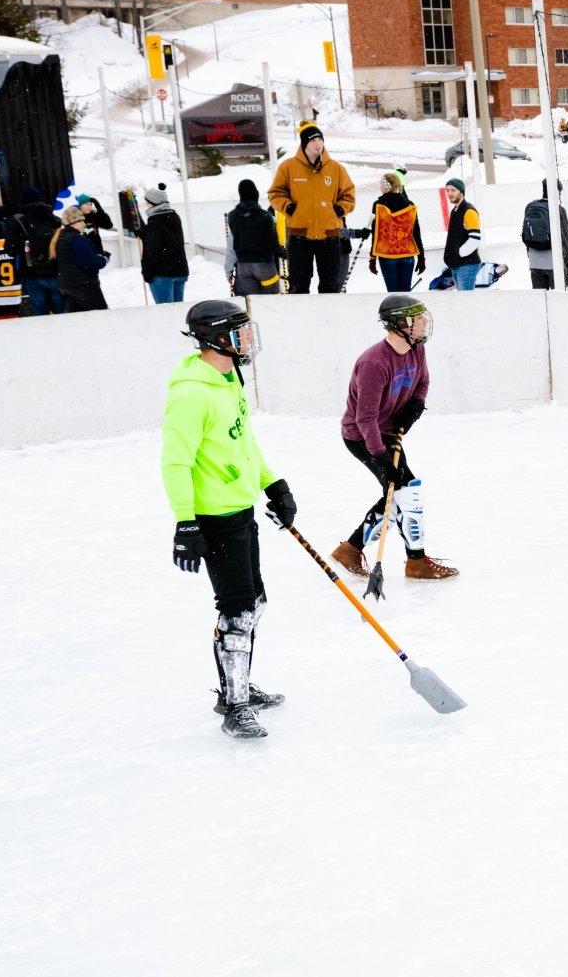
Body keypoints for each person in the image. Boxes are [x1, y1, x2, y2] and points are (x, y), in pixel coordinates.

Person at [162, 299, 296, 739]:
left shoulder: (227, 380)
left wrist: (273, 485)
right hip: (214, 518)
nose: (247, 341)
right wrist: (186, 522)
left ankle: (235, 688)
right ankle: (234, 706)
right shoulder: (191, 393)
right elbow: (175, 462)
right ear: (217, 337)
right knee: (237, 612)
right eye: (239, 333)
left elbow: (244, 445)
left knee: (254, 603)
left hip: (241, 510)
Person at [328, 294, 458, 583]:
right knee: (403, 492)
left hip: (388, 432)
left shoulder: (416, 349)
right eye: (418, 317)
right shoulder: (374, 363)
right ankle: (415, 563)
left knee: (402, 492)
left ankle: (351, 550)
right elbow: (364, 419)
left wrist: (415, 407)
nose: (425, 322)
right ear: (401, 324)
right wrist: (380, 456)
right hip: (363, 437)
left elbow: (422, 381)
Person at [267, 120, 357, 294]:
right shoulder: (288, 167)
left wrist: (339, 209)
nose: (318, 144)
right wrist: (289, 207)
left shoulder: (336, 169)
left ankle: (328, 318)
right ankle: (301, 318)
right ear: (304, 144)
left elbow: (349, 195)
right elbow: (275, 193)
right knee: (299, 286)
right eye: (313, 140)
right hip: (299, 236)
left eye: (320, 140)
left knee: (330, 286)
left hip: (330, 236)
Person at [5, 192, 63, 316]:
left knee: (40, 313)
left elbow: (9, 250)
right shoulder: (53, 218)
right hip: (55, 270)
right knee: (61, 311)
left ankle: (43, 333)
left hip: (31, 271)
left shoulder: (16, 219)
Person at [225, 178, 285, 296]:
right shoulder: (266, 216)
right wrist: (286, 254)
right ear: (256, 194)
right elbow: (272, 244)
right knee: (271, 303)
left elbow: (231, 247)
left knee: (249, 303)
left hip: (243, 267)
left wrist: (229, 270)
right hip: (265, 266)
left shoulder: (233, 217)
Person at [368, 172, 425, 292]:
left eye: (381, 184)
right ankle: (405, 309)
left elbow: (376, 233)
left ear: (386, 186)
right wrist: (421, 258)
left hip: (387, 255)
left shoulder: (379, 205)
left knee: (393, 293)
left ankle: (395, 310)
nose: (380, 187)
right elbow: (416, 233)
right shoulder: (409, 205)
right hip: (407, 254)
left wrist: (372, 257)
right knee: (405, 292)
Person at [136, 185, 189, 304]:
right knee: (178, 310)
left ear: (153, 203)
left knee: (165, 311)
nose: (146, 205)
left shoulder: (155, 221)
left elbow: (152, 251)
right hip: (179, 270)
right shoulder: (174, 217)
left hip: (162, 274)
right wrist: (145, 234)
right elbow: (169, 241)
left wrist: (147, 272)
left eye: (147, 202)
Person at [53, 203, 109, 312]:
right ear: (72, 223)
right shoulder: (76, 239)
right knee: (101, 316)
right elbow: (90, 262)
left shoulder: (62, 237)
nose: (84, 223)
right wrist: (103, 259)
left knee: (75, 320)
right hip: (83, 284)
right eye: (81, 221)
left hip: (68, 284)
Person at [439, 178, 484, 292]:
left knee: (466, 303)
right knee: (462, 301)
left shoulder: (469, 211)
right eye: (447, 190)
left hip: (467, 265)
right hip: (457, 265)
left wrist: (458, 254)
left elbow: (475, 240)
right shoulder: (455, 211)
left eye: (453, 190)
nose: (449, 193)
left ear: (461, 192)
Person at [522, 181, 556, 289]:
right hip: (553, 263)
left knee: (540, 299)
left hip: (534, 263)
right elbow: (565, 239)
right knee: (559, 300)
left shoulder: (530, 206)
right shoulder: (557, 209)